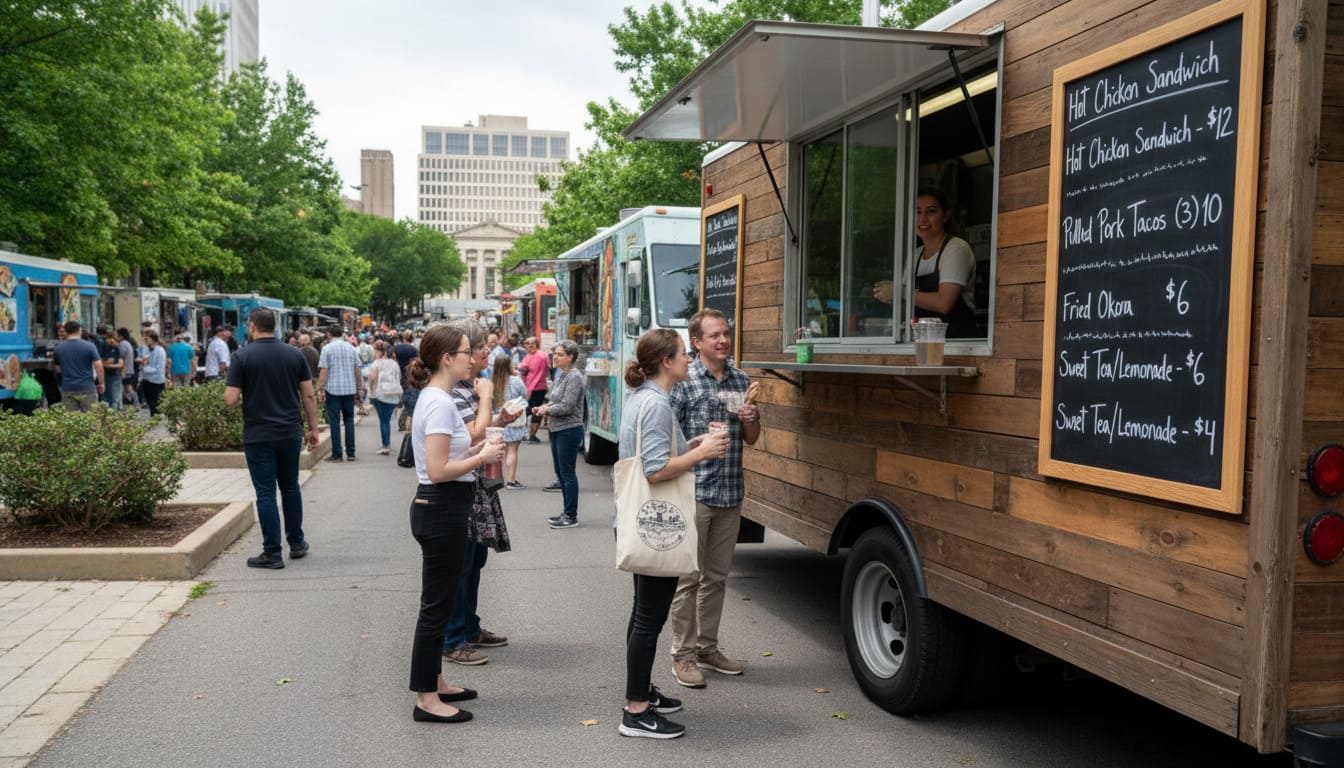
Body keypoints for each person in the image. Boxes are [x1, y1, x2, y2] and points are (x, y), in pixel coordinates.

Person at [616, 328, 728, 740]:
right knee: (650, 617)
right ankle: (636, 711)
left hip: (641, 520)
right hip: (655, 523)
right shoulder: (658, 404)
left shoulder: (643, 397)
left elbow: (656, 454)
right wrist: (701, 453)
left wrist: (695, 441)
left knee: (643, 612)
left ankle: (641, 693)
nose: (688, 360)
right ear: (666, 362)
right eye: (683, 354)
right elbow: (655, 469)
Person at [405, 324, 504, 723]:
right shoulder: (440, 402)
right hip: (441, 506)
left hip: (442, 506)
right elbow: (438, 468)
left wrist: (481, 447)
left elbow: (449, 454)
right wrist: (481, 458)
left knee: (440, 605)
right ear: (448, 358)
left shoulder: (437, 398)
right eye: (466, 352)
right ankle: (427, 699)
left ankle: (436, 682)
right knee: (435, 608)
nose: (472, 357)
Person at [666, 309, 761, 688]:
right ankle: (683, 655)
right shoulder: (685, 382)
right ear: (697, 342)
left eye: (726, 334)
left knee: (717, 578)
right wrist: (698, 445)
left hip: (730, 492)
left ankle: (708, 647)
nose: (723, 340)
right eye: (715, 336)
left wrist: (751, 417)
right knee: (688, 578)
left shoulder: (741, 379)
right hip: (695, 492)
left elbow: (752, 438)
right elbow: (669, 437)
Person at [224, 308, 320, 569]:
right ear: (274, 326)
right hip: (290, 431)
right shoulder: (294, 354)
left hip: (258, 433)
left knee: (265, 492)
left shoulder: (241, 356)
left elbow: (230, 399)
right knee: (290, 486)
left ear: (252, 326)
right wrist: (313, 429)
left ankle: (272, 552)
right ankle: (297, 542)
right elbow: (309, 396)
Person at [441, 321, 511, 666]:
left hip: (477, 483)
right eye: (476, 348)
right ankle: (453, 638)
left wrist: (498, 416)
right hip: (461, 487)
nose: (484, 353)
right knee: (462, 566)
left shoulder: (466, 387)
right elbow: (470, 435)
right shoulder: (452, 392)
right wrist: (487, 401)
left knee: (475, 561)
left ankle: (468, 627)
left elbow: (478, 432)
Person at [873, 187, 978, 338]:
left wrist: (900, 291)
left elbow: (944, 304)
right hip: (924, 342)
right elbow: (906, 302)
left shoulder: (956, 249)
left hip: (957, 342)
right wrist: (888, 294)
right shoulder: (915, 255)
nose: (922, 219)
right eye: (917, 212)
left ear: (946, 215)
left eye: (931, 211)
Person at [533, 340, 584, 529]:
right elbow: (556, 401)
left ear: (570, 357)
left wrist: (547, 410)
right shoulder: (561, 374)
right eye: (555, 354)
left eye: (560, 354)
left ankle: (571, 515)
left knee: (567, 473)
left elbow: (567, 406)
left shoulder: (575, 377)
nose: (555, 357)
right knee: (560, 473)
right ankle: (565, 511)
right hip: (557, 429)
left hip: (569, 429)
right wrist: (545, 407)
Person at [317, 325, 363, 462]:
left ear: (329, 334)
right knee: (349, 420)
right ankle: (351, 452)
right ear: (342, 333)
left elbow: (324, 370)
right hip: (349, 389)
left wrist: (320, 388)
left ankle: (337, 453)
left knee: (334, 422)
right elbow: (357, 370)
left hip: (333, 389)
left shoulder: (327, 349)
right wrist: (359, 388)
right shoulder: (352, 348)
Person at [492, 355, 528, 489]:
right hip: (514, 420)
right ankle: (511, 481)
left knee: (497, 451)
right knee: (512, 450)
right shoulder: (516, 381)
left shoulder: (492, 382)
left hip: (496, 420)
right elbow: (525, 396)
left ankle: (494, 479)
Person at [52, 321, 103, 412]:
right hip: (87, 387)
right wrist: (101, 383)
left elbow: (58, 368)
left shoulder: (58, 348)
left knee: (71, 420)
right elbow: (98, 365)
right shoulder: (90, 346)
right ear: (80, 330)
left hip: (68, 388)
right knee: (91, 418)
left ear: (66, 331)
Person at [367, 341, 403, 455]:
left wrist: (371, 389)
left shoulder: (377, 363)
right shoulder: (394, 363)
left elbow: (372, 377)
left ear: (379, 351)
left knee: (383, 421)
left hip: (381, 394)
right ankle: (387, 443)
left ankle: (386, 445)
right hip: (395, 393)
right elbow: (399, 377)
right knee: (387, 420)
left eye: (375, 351)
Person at [517, 337, 548, 444]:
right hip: (538, 388)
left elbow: (522, 371)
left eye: (531, 343)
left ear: (536, 344)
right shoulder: (543, 356)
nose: (529, 345)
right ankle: (531, 435)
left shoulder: (530, 357)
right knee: (534, 411)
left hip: (532, 388)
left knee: (529, 410)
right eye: (527, 343)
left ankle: (528, 435)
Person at [138, 331, 167, 416]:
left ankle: (156, 416)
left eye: (148, 338)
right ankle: (153, 415)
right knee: (149, 401)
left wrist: (145, 368)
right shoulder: (146, 349)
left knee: (155, 401)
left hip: (156, 380)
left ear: (153, 340)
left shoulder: (160, 351)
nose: (145, 339)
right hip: (146, 379)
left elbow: (159, 368)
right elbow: (142, 359)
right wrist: (142, 362)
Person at [96, 326, 123, 410]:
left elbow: (116, 362)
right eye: (109, 338)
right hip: (105, 374)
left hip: (114, 375)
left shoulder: (116, 348)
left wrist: (106, 363)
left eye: (113, 339)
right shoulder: (103, 347)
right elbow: (103, 360)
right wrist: (106, 362)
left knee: (114, 397)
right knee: (105, 396)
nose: (111, 341)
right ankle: (106, 414)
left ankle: (113, 413)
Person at [117, 327, 139, 408]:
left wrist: (123, 370)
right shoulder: (128, 343)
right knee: (127, 388)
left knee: (126, 388)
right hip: (129, 369)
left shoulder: (122, 344)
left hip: (125, 370)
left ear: (121, 336)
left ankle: (134, 403)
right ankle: (133, 403)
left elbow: (123, 358)